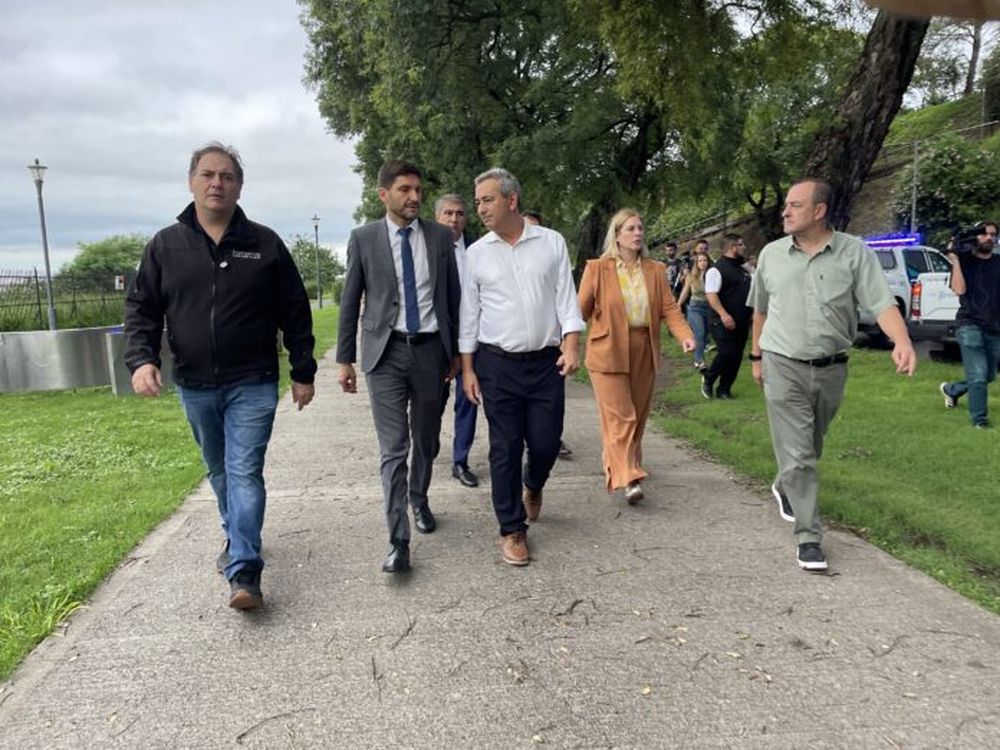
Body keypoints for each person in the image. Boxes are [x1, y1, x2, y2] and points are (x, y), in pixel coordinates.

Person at [125, 141, 317, 610]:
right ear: (191, 182)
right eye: (208, 175)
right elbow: (142, 308)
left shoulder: (264, 243)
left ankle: (245, 570)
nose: (217, 183)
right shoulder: (166, 246)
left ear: (239, 186)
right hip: (195, 384)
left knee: (244, 470)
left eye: (227, 176)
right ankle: (236, 537)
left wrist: (303, 370)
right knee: (219, 471)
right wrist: (142, 359)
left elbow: (294, 310)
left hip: (252, 381)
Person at [748, 177, 917, 571]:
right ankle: (809, 538)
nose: (784, 212)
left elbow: (881, 303)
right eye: (785, 205)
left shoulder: (854, 253)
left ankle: (786, 483)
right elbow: (759, 311)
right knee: (799, 453)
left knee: (810, 445)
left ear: (819, 211)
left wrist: (902, 342)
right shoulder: (771, 255)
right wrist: (755, 357)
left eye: (794, 205)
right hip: (782, 363)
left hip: (832, 368)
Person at [336, 160, 461, 573]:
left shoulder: (441, 237)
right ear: (383, 194)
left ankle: (419, 499)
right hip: (384, 354)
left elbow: (453, 299)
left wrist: (458, 352)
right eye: (404, 189)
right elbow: (351, 297)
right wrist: (344, 359)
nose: (414, 197)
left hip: (430, 352)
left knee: (426, 440)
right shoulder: (364, 238)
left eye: (418, 189)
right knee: (394, 448)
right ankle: (398, 540)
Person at [460, 168, 584, 566]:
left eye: (488, 200)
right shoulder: (476, 254)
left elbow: (567, 299)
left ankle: (534, 484)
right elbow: (469, 315)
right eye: (478, 201)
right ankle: (511, 529)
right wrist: (468, 369)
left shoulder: (551, 243)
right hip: (497, 364)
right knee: (504, 447)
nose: (480, 208)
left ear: (511, 200)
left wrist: (572, 344)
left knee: (546, 444)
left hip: (546, 363)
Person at [578, 209, 694, 504]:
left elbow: (669, 308)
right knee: (622, 415)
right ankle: (629, 476)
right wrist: (564, 343)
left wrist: (685, 336)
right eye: (630, 228)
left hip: (644, 346)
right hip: (607, 349)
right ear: (617, 235)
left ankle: (616, 461)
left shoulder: (655, 270)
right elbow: (579, 311)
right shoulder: (597, 268)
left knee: (638, 415)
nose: (637, 233)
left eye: (640, 228)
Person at [434, 193, 480, 487]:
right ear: (437, 217)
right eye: (448, 214)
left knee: (469, 400)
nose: (454, 219)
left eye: (460, 213)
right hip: (437, 340)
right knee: (432, 403)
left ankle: (460, 460)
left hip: (473, 339)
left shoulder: (480, 249)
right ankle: (429, 442)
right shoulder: (425, 248)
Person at [522, 210, 573, 459]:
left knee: (548, 414)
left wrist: (569, 342)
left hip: (549, 349)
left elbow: (569, 305)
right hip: (510, 355)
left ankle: (550, 439)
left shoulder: (552, 258)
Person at [939, 222, 1000, 427]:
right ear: (975, 238)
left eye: (993, 234)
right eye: (984, 234)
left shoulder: (998, 262)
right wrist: (955, 260)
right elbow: (959, 289)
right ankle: (979, 421)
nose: (989, 238)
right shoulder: (965, 262)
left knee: (989, 374)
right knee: (978, 375)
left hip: (995, 327)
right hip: (969, 324)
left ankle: (952, 390)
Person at [701, 234, 753, 399]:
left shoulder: (743, 269)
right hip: (721, 320)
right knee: (726, 352)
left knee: (736, 356)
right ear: (733, 247)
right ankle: (708, 378)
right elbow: (711, 295)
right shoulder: (717, 269)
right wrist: (724, 315)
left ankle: (724, 389)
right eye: (741, 244)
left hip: (742, 320)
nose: (744, 247)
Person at [677, 251, 713, 369]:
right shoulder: (691, 276)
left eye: (705, 260)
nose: (703, 263)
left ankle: (700, 356)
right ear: (696, 263)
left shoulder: (713, 275)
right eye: (700, 261)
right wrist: (678, 305)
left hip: (709, 307)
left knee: (705, 335)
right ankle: (698, 360)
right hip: (694, 307)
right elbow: (685, 292)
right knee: (700, 333)